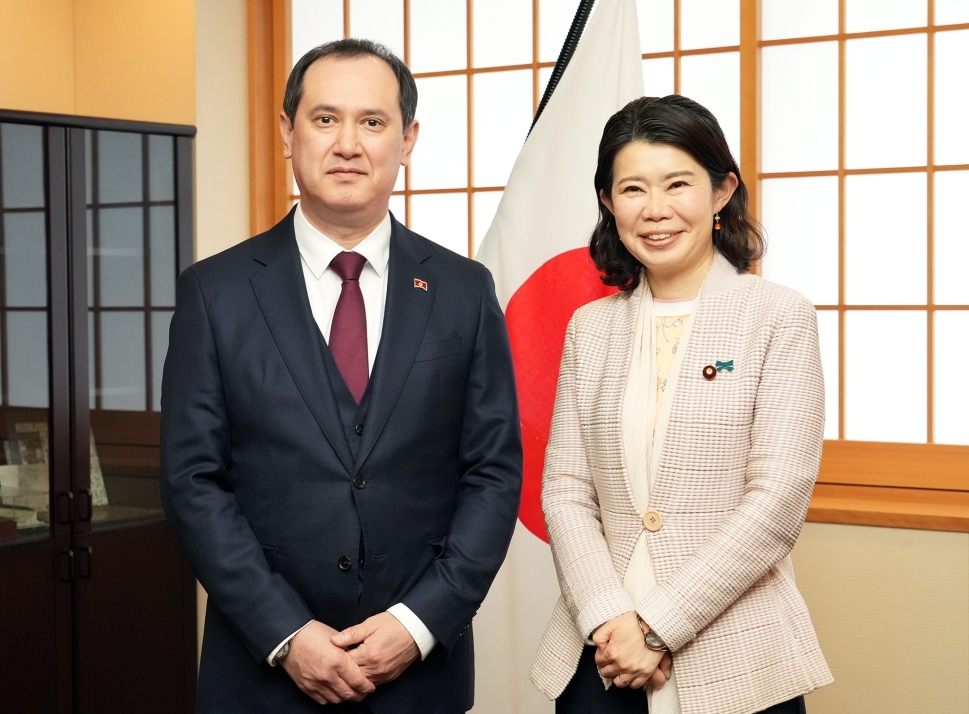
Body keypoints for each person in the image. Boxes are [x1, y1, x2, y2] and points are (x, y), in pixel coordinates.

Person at [160, 38, 522, 714]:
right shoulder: (216, 293)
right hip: (261, 676)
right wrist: (286, 633)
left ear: (408, 139)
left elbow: (494, 474)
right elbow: (192, 480)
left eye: (373, 122)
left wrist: (418, 625)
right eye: (325, 119)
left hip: (419, 679)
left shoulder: (463, 291)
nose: (348, 143)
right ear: (287, 133)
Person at [529, 95, 833, 714]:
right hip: (600, 651)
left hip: (738, 657)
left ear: (722, 192)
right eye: (633, 189)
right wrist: (612, 618)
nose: (656, 210)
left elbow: (777, 499)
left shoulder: (778, 316)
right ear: (609, 203)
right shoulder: (589, 327)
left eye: (678, 184)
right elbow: (564, 489)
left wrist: (657, 627)